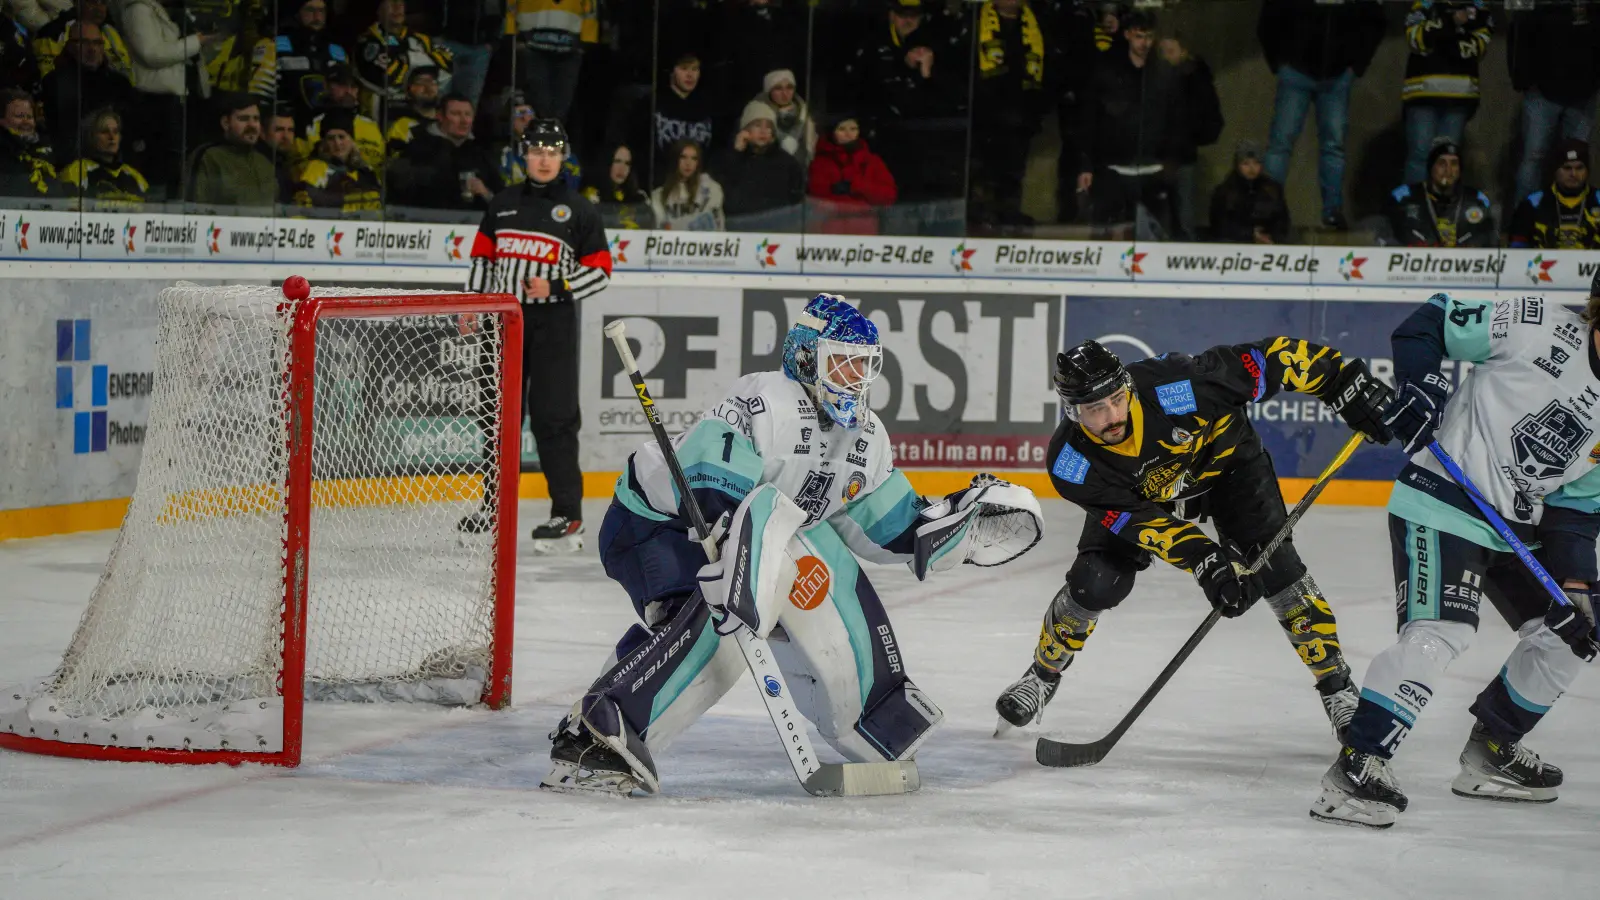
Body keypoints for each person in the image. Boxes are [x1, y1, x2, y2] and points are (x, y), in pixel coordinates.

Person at [542, 294, 1045, 795]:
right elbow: (710, 486)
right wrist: (742, 573)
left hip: (746, 530)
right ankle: (595, 739)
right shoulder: (765, 400)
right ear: (806, 357)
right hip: (657, 524)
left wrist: (954, 528)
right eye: (843, 363)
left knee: (792, 578)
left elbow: (887, 526)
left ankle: (871, 712)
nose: (855, 378)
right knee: (712, 629)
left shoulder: (865, 437)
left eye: (863, 366)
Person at [993, 338, 1395, 741]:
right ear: (1072, 411)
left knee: (1279, 571)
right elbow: (1142, 523)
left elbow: (1269, 359)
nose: (1113, 416)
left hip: (1228, 471)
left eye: (1117, 398)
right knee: (1096, 580)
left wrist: (1343, 382)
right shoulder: (1072, 463)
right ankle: (1043, 675)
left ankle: (1337, 688)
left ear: (1127, 386)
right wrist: (1208, 562)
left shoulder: (1178, 385)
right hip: (1145, 500)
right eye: (1095, 409)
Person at [1309, 283, 1600, 829]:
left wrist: (1577, 587)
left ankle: (1493, 750)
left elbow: (1575, 513)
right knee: (1443, 630)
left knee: (1579, 632)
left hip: (1517, 527)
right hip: (1443, 498)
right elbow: (1430, 320)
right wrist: (1420, 386)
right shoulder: (1538, 323)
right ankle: (1357, 768)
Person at [464, 118, 611, 551]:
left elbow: (601, 272)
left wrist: (559, 285)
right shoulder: (502, 204)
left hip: (553, 325)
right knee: (497, 415)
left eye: (553, 150)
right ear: (523, 155)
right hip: (503, 323)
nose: (544, 158)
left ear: (564, 157)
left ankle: (567, 515)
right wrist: (473, 305)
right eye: (537, 150)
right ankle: (492, 509)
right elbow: (482, 260)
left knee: (554, 419)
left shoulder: (580, 210)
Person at [1257, 0, 1386, 231]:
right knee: (1281, 143)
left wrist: (1356, 65)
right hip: (1296, 71)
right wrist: (1278, 62)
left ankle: (1332, 212)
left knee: (1332, 146)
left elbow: (1375, 19)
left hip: (1336, 77)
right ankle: (1269, 211)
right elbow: (1268, 17)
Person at [1072, 11, 1183, 240]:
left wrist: (1171, 159)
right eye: (1139, 36)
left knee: (1157, 239)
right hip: (1113, 168)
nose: (1144, 43)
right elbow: (1090, 120)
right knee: (1103, 238)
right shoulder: (1107, 72)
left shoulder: (1163, 75)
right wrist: (1086, 164)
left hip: (1153, 170)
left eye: (1149, 37)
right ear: (1127, 36)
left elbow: (1175, 120)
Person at [1507, 2, 1600, 208]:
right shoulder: (1542, 7)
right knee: (1534, 158)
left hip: (1584, 93)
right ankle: (1522, 224)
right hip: (1542, 91)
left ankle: (1575, 226)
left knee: (1576, 162)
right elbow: (1519, 28)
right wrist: (1521, 78)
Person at [970, 0, 1047, 230]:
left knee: (1014, 169)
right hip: (984, 111)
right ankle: (981, 212)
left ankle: (1009, 212)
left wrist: (1038, 107)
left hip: (1022, 111)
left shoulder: (1037, 22)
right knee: (984, 168)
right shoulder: (975, 20)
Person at [1401, 0, 1493, 187]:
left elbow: (1479, 48)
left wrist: (1441, 37)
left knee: (1448, 159)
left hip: (1459, 98)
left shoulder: (1478, 7)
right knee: (1420, 155)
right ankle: (1414, 211)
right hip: (1422, 95)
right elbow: (1416, 40)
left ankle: (1444, 211)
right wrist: (1451, 23)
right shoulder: (1424, 4)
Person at [39, 20, 139, 159]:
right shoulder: (55, 82)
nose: (92, 49)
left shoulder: (120, 83)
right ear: (70, 46)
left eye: (97, 43)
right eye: (84, 42)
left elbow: (131, 129)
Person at [387, 93, 500, 211]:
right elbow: (399, 193)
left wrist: (486, 193)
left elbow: (503, 202)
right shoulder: (417, 148)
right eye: (456, 114)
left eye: (468, 114)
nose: (464, 121)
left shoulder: (481, 154)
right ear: (440, 116)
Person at [1381, 138, 1495, 247]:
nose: (1448, 170)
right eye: (1442, 163)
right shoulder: (1404, 198)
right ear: (1431, 167)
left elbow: (1489, 240)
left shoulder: (1477, 200)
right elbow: (1385, 237)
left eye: (1454, 164)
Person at [714, 100, 804, 230]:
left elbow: (796, 200)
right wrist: (736, 152)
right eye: (757, 125)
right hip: (738, 229)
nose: (763, 131)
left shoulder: (787, 163)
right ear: (745, 130)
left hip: (777, 231)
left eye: (768, 127)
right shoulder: (728, 157)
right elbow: (720, 187)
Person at [355, 0, 452, 119]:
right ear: (378, 10)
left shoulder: (421, 38)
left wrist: (405, 61)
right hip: (384, 115)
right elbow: (391, 78)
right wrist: (423, 61)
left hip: (424, 111)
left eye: (400, 3)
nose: (397, 7)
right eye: (391, 3)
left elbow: (447, 68)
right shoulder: (368, 41)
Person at [806, 114, 897, 235]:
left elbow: (889, 196)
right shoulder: (821, 162)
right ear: (832, 132)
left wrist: (857, 186)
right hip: (829, 232)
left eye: (853, 129)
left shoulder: (872, 161)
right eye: (842, 129)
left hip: (864, 230)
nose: (848, 134)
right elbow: (816, 197)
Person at [1508, 138, 1600, 249]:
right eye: (1567, 168)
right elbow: (1516, 251)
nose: (1573, 174)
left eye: (1579, 168)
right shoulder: (1532, 205)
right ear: (1556, 170)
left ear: (1587, 170)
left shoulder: (1597, 200)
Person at [188, 94, 276, 210]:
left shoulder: (265, 162)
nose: (252, 125)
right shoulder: (208, 157)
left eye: (256, 119)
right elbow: (195, 211)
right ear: (225, 123)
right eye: (243, 119)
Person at [290, 110, 381, 212]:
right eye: (331, 138)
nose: (337, 143)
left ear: (352, 140)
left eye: (342, 137)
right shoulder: (316, 168)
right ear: (324, 143)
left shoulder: (366, 171)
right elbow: (305, 204)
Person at [59, 106, 148, 209]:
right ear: (91, 136)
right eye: (104, 132)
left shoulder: (135, 176)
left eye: (115, 132)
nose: (111, 137)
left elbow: (151, 211)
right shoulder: (77, 171)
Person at [1209, 139, 1290, 244]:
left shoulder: (1273, 189)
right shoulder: (1225, 191)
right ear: (1237, 165)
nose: (1252, 168)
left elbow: (1282, 221)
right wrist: (1250, 234)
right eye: (1246, 163)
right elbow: (1220, 225)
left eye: (1256, 163)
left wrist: (1270, 237)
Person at [30, 0, 131, 81]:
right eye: (92, 2)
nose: (99, 8)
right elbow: (47, 81)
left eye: (103, 2)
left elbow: (126, 68)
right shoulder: (53, 33)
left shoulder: (109, 31)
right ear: (77, 3)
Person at [651, 138, 723, 231]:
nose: (688, 163)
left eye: (694, 158)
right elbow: (660, 228)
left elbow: (716, 224)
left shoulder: (711, 189)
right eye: (683, 157)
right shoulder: (658, 195)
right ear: (675, 159)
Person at [580, 142, 655, 230]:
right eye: (617, 161)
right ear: (608, 163)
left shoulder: (640, 197)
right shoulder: (591, 195)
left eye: (627, 163)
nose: (622, 168)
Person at [0, 87, 55, 198]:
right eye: (19, 116)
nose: (26, 122)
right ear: (2, 120)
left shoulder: (48, 149)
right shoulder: (3, 152)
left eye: (29, 117)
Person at [755, 68, 814, 168]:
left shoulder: (804, 115)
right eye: (778, 88)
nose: (785, 93)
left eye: (789, 87)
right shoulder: (755, 115)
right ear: (769, 91)